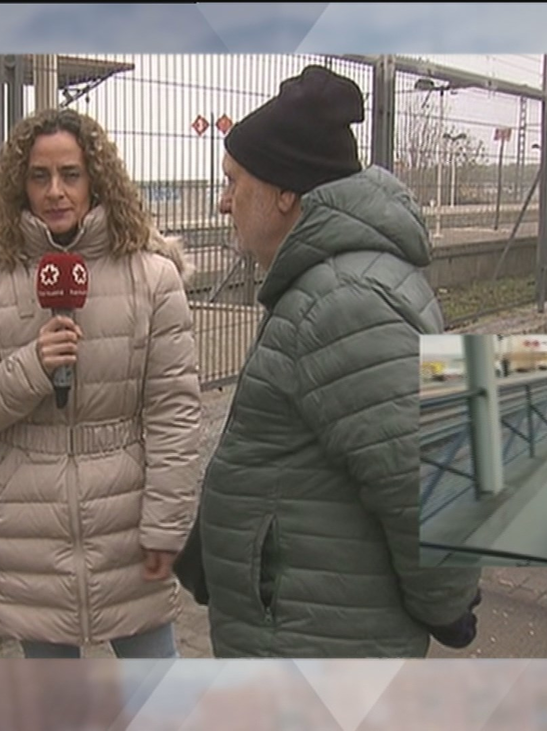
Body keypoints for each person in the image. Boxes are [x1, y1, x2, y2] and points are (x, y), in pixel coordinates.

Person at [182, 65, 484, 658]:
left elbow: (426, 480)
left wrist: (446, 605)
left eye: (233, 181)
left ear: (285, 192)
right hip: (310, 622)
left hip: (316, 642)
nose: (223, 202)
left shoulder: (339, 303)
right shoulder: (334, 282)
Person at [0, 107, 202, 659]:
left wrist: (165, 525)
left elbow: (174, 413)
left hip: (127, 523)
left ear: (96, 179)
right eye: (40, 176)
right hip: (29, 531)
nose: (55, 191)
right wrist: (32, 366)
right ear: (20, 183)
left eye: (71, 175)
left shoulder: (150, 276)